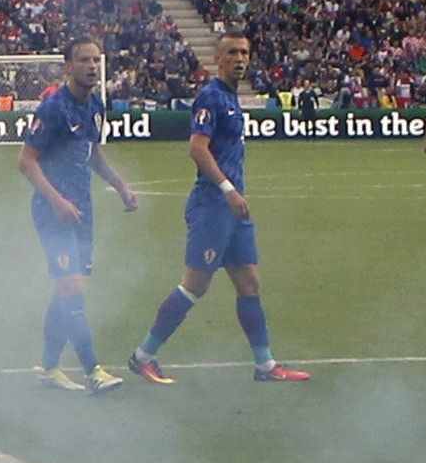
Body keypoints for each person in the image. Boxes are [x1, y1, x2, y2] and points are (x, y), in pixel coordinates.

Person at [127, 35, 311, 386]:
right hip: (212, 204)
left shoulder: (230, 97)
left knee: (249, 284)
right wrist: (227, 189)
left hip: (234, 209)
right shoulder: (211, 96)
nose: (240, 58)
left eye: (245, 52)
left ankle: (265, 365)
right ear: (218, 58)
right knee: (194, 286)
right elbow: (197, 148)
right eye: (232, 53)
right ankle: (143, 357)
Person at [16, 37, 140, 394]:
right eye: (83, 60)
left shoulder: (96, 106)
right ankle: (93, 370)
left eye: (95, 60)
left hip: (82, 212)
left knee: (64, 290)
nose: (90, 66)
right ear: (68, 66)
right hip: (53, 212)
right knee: (72, 288)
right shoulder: (53, 108)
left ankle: (49, 368)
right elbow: (26, 161)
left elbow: (94, 155)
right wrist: (56, 201)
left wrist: (120, 186)